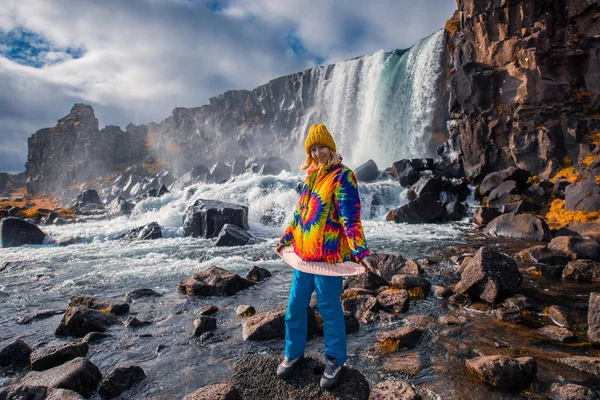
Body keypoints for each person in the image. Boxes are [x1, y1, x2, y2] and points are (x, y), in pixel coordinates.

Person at [274, 123, 370, 390]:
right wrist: (285, 240)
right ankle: (293, 354)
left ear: (331, 146)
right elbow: (300, 215)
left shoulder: (343, 176)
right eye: (312, 149)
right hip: (304, 258)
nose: (317, 153)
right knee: (294, 309)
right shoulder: (311, 177)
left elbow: (350, 218)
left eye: (321, 147)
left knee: (329, 312)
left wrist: (360, 251)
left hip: (328, 260)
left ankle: (335, 360)